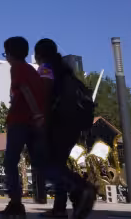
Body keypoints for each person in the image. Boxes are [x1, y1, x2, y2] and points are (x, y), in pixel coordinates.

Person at [34, 38, 96, 219]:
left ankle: (81, 189)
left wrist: (42, 122)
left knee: (46, 164)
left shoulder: (46, 69)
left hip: (58, 122)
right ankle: (61, 207)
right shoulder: (65, 71)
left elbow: (45, 96)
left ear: (39, 55)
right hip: (74, 124)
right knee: (58, 163)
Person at [0, 37, 48, 218]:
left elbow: (25, 89)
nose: (6, 57)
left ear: (10, 53)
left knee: (10, 162)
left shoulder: (17, 68)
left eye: (6, 53)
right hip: (33, 123)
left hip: (20, 121)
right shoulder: (31, 70)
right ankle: (43, 195)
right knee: (38, 161)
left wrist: (36, 113)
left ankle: (16, 203)